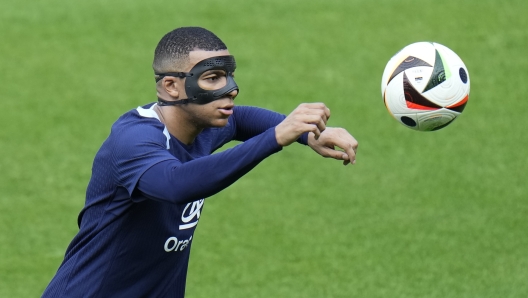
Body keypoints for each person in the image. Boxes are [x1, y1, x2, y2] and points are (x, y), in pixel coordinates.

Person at [42, 26, 358, 297]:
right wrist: (276, 137)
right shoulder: (134, 141)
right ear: (171, 86)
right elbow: (175, 183)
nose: (230, 89)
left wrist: (308, 135)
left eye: (229, 76)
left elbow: (243, 119)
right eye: (212, 78)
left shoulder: (202, 128)